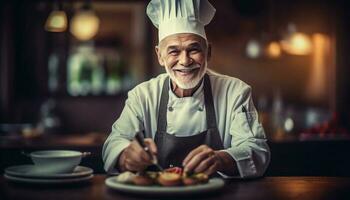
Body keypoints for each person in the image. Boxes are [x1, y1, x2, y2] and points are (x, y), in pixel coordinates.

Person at [102, 0, 270, 178]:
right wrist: (127, 156)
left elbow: (257, 150)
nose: (185, 61)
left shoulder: (235, 91)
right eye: (174, 51)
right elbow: (113, 144)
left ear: (208, 52)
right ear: (160, 55)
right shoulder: (142, 95)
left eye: (194, 49)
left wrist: (221, 159)